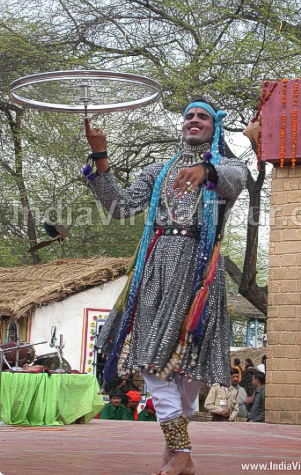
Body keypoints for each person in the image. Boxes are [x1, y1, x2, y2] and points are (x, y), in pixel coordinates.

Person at [85, 97, 247, 475]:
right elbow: (119, 207)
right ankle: (182, 451)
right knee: (153, 361)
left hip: (199, 271)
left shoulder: (227, 167)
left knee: (187, 372)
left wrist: (206, 172)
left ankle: (176, 451)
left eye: (202, 116)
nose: (193, 120)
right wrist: (102, 155)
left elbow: (232, 181)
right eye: (188, 115)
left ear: (214, 126)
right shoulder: (158, 169)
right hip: (155, 268)